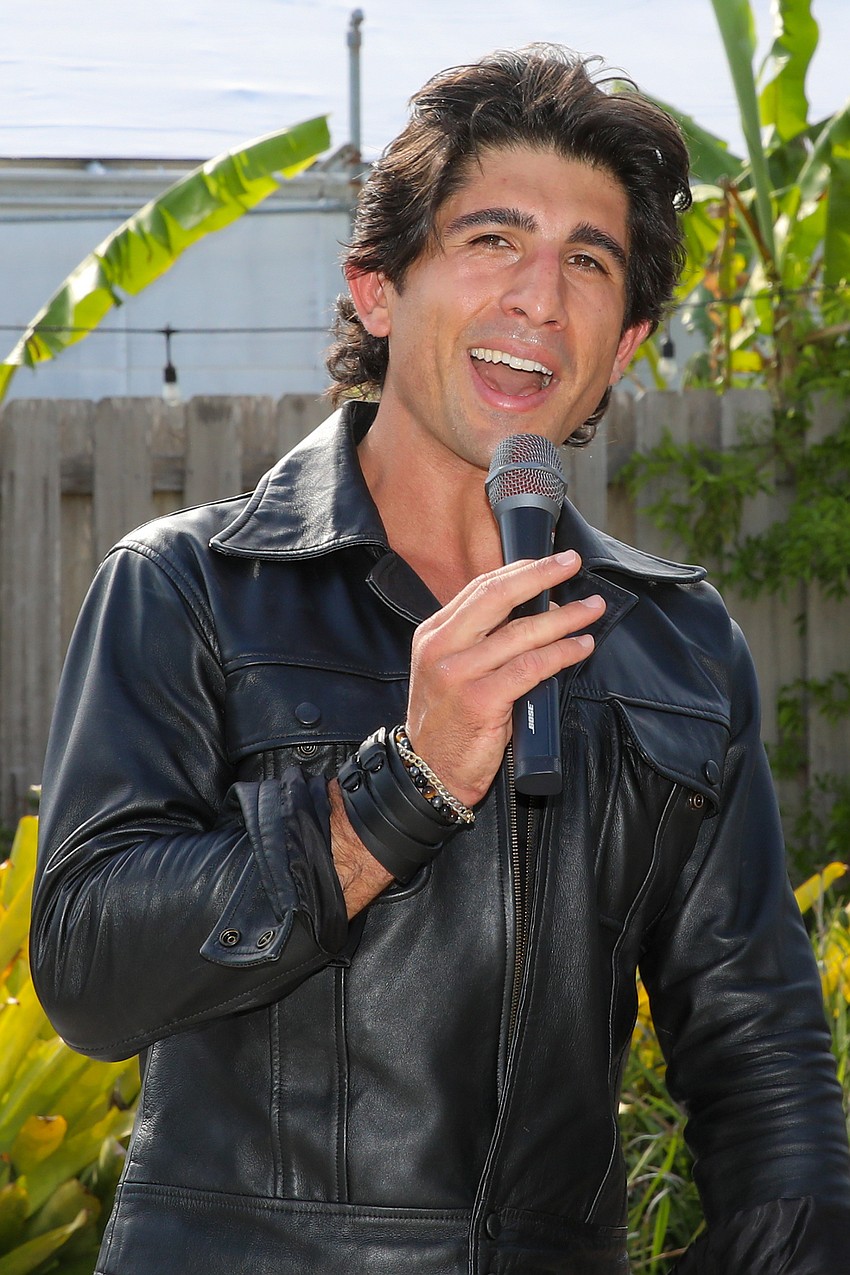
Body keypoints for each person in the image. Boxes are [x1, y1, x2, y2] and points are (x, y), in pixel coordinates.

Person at [31, 44, 850, 1275]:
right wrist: (397, 789)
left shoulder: (676, 643)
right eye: (491, 242)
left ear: (620, 350)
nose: (539, 297)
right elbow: (90, 972)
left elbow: (757, 1045)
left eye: (588, 262)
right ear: (376, 289)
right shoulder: (186, 588)